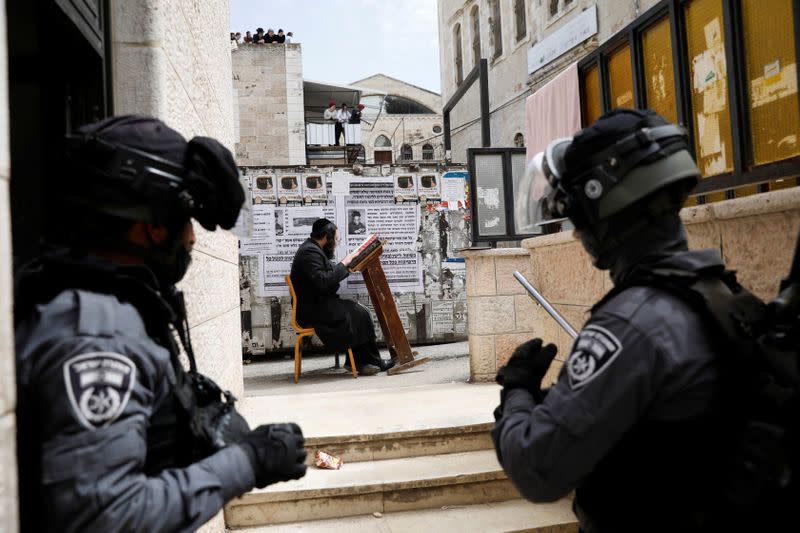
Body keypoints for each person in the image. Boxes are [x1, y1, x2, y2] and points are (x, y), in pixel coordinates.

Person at [14, 115, 308, 532]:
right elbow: (107, 518)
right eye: (185, 220)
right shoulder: (97, 335)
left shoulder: (101, 306)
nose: (190, 238)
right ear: (150, 226)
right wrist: (248, 462)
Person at [491, 109, 742, 532]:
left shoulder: (629, 325)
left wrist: (516, 392)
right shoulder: (718, 293)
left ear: (606, 209)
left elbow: (537, 467)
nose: (575, 233)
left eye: (579, 216)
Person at [290, 219, 394, 375]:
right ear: (326, 237)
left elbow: (328, 275)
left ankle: (363, 361)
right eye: (336, 240)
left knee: (359, 311)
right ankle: (368, 361)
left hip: (318, 303)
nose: (336, 244)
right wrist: (345, 263)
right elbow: (323, 281)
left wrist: (348, 265)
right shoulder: (309, 252)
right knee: (358, 313)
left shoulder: (313, 249)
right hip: (312, 309)